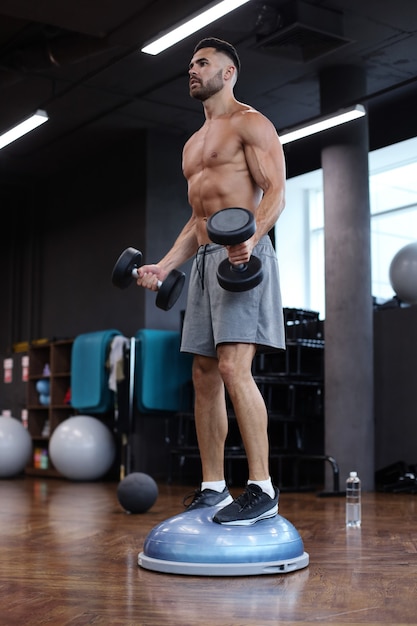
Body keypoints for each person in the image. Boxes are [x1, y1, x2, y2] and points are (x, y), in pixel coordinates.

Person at [137, 37, 286, 525]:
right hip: (203, 261)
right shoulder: (192, 144)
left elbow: (276, 192)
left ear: (229, 74)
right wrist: (165, 265)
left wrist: (250, 237)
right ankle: (214, 486)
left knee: (232, 368)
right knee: (203, 374)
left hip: (241, 257)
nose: (192, 70)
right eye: (190, 65)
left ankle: (262, 488)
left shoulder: (251, 122)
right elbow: (197, 218)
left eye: (202, 63)